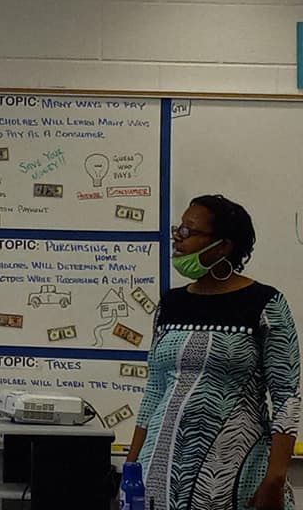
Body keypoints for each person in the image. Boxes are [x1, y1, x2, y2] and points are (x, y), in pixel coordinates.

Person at [126, 194, 301, 510]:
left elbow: (286, 395)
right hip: (159, 472)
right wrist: (130, 471)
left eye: (188, 232)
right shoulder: (170, 304)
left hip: (237, 473)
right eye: (177, 229)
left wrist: (275, 478)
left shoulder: (264, 303)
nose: (177, 239)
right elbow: (154, 392)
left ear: (223, 246)